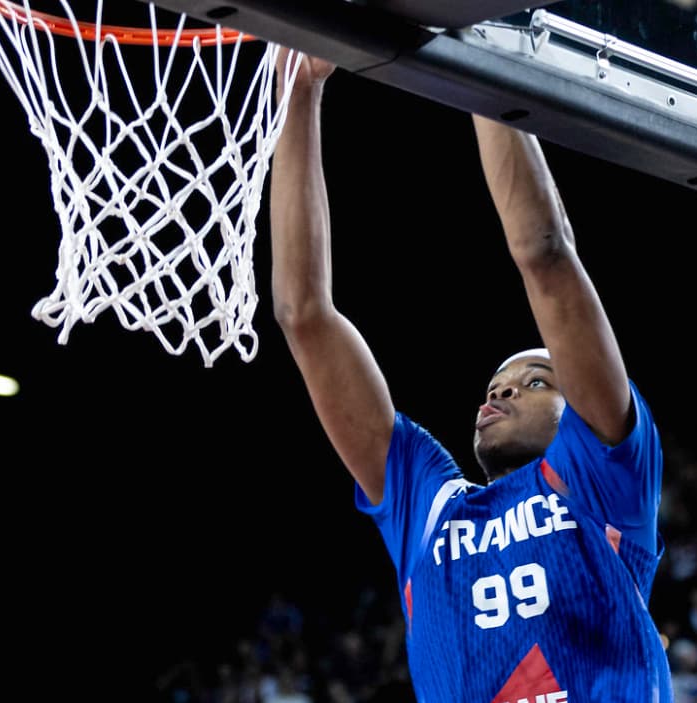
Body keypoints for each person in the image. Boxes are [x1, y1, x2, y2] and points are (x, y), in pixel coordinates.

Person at [269, 49, 675, 702]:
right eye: (495, 386)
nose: (503, 390)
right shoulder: (429, 506)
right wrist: (297, 91)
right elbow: (303, 313)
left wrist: (478, 50)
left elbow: (544, 252)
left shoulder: (604, 476)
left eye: (536, 380)